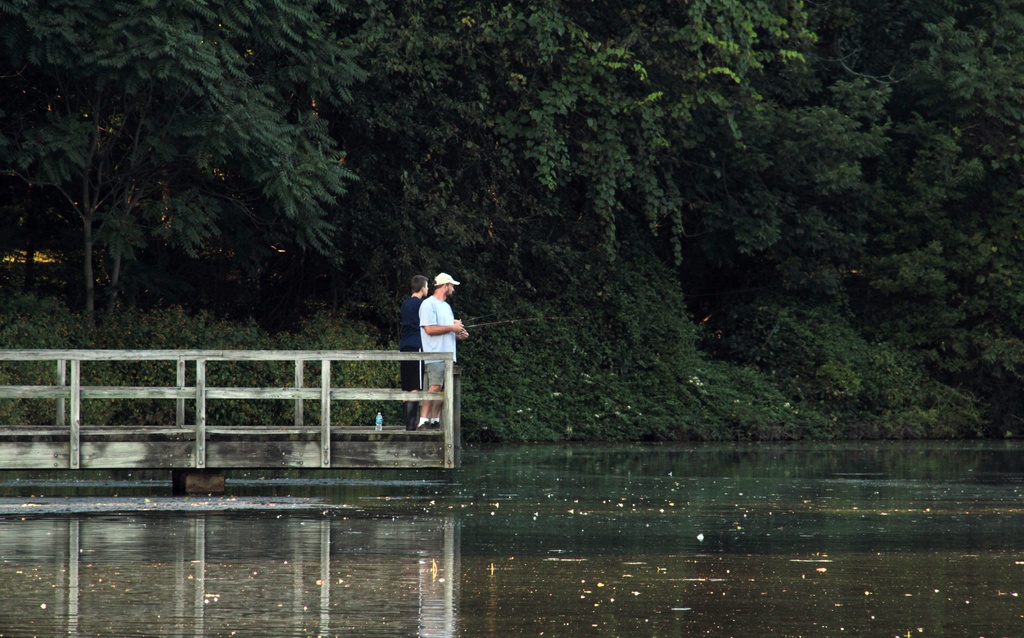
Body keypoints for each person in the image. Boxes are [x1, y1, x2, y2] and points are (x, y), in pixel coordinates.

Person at [418, 272, 468, 429]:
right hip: (435, 354)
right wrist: (452, 327)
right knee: (434, 387)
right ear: (445, 286)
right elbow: (429, 329)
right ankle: (423, 420)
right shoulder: (428, 304)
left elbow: (447, 331)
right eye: (452, 285)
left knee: (445, 389)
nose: (453, 288)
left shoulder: (447, 307)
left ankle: (435, 420)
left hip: (449, 356)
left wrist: (458, 335)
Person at [399, 275, 429, 430]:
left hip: (404, 345)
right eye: (427, 287)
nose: (428, 290)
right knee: (416, 386)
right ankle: (411, 427)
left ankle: (408, 426)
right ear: (422, 288)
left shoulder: (405, 304)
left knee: (406, 386)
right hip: (416, 345)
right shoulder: (423, 304)